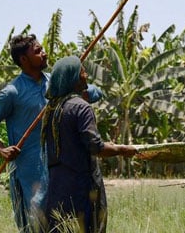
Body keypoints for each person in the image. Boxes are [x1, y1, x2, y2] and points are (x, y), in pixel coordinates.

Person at [0, 34, 103, 233]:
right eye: (37, 51)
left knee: (64, 223)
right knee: (35, 224)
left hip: (59, 167)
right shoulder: (12, 92)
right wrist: (2, 150)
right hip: (30, 171)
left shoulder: (55, 84)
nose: (44, 54)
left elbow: (96, 93)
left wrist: (86, 93)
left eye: (42, 49)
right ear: (24, 60)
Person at [41, 55, 137, 233]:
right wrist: (123, 149)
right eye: (82, 71)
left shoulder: (52, 109)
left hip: (58, 187)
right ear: (75, 77)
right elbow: (96, 147)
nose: (86, 75)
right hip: (82, 187)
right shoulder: (81, 107)